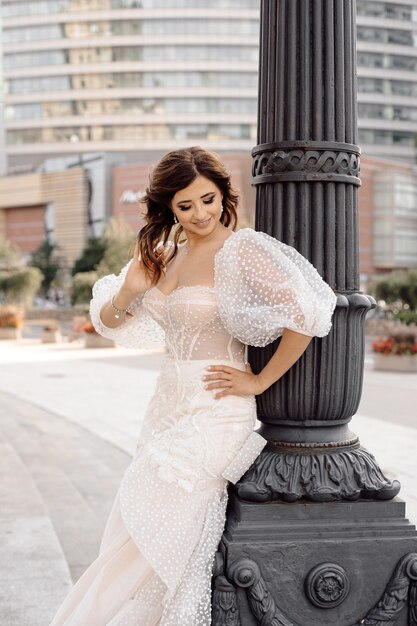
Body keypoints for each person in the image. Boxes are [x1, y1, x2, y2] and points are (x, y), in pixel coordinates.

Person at [50, 146, 337, 626]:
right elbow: (107, 320)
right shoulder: (165, 255)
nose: (200, 214)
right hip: (166, 407)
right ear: (169, 209)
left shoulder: (243, 249)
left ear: (223, 194)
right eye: (185, 206)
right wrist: (129, 292)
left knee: (155, 512)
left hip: (217, 409)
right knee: (133, 523)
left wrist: (260, 379)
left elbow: (310, 310)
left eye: (207, 199)